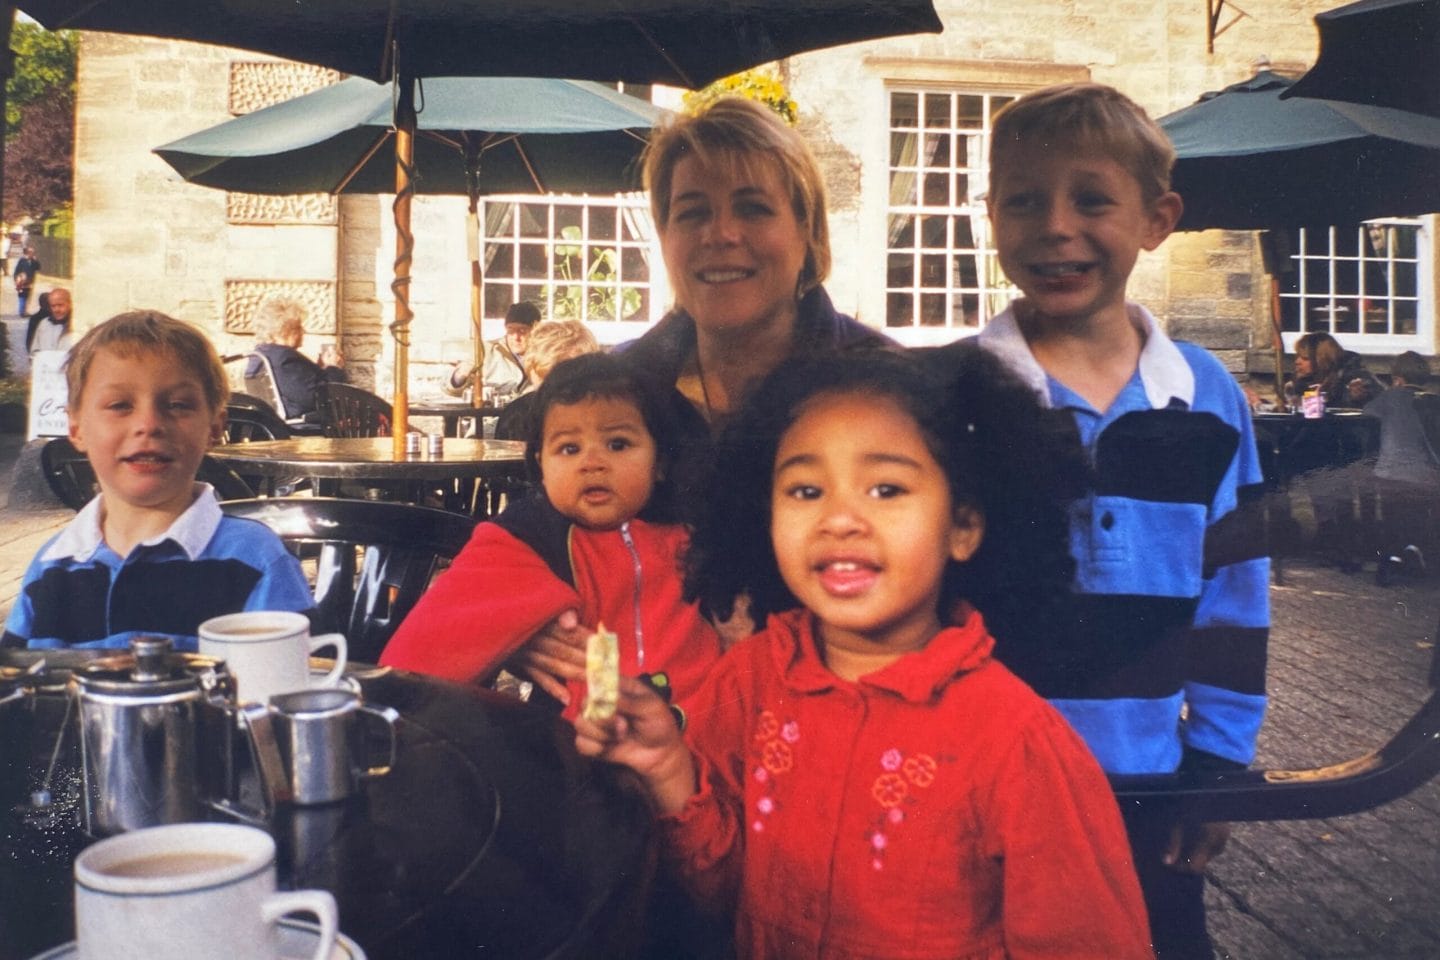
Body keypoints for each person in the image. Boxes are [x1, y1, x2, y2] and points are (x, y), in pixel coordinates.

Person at [578, 350, 1151, 959]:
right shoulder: (750, 680)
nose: (840, 519)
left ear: (963, 526)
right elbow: (722, 893)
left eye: (886, 488)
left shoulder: (1020, 744)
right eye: (805, 489)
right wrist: (669, 768)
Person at [944, 82, 1269, 960]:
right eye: (1024, 200)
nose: (1055, 225)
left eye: (1091, 198)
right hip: (975, 784)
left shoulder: (1208, 398)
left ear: (1157, 219)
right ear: (991, 216)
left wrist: (1216, 770)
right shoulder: (950, 394)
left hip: (1146, 784)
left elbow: (1233, 595)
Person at [507, 95, 896, 697]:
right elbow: (544, 542)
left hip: (830, 715)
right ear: (664, 237)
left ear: (808, 232)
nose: (721, 235)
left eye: (753, 208)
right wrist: (528, 627)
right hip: (639, 723)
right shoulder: (618, 388)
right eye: (692, 213)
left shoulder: (882, 388)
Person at [381, 352, 722, 714]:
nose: (592, 462)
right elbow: (415, 662)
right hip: (588, 743)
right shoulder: (526, 541)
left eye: (618, 444)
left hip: (707, 737)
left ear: (660, 464)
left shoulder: (692, 534)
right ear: (541, 464)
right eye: (569, 448)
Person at [1, 311, 314, 650]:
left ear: (214, 427)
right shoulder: (52, 567)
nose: (149, 423)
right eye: (120, 405)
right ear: (76, 429)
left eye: (178, 405)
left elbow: (293, 688)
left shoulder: (258, 559)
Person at [1363, 351, 1440, 578]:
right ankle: (1413, 551)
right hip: (1427, 475)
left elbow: (1368, 413)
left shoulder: (1390, 397)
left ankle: (1390, 561)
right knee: (1417, 516)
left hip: (1390, 473)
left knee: (1392, 518)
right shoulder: (1434, 401)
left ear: (1397, 378)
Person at [493, 320, 601, 442]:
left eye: (567, 380)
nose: (555, 391)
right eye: (545, 382)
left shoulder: (608, 413)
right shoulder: (518, 415)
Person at [243, 297, 345, 421]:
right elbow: (319, 398)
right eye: (297, 328)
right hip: (302, 425)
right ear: (282, 331)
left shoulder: (261, 354)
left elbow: (299, 389)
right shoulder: (284, 359)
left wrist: (321, 369)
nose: (303, 331)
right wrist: (333, 368)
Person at [448, 300, 541, 401]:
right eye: (511, 330)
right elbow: (449, 388)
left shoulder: (545, 355)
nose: (516, 337)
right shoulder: (486, 350)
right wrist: (459, 376)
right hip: (490, 415)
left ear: (535, 331)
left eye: (522, 331)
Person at [1287, 331, 1382, 409]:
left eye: (1305, 358)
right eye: (1297, 356)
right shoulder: (1302, 381)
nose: (1297, 361)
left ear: (1321, 359)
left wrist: (1353, 397)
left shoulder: (1354, 377)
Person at [27, 286, 73, 354]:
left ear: (70, 304)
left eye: (60, 305)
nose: (57, 310)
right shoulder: (44, 324)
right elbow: (34, 350)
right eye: (53, 306)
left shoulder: (77, 325)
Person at [13, 245, 40, 317]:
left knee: (28, 296)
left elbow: (38, 268)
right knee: (22, 296)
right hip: (22, 282)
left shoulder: (33, 261)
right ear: (27, 253)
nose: (33, 254)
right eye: (31, 252)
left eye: (33, 252)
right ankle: (22, 312)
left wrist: (36, 260)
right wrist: (16, 280)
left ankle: (25, 310)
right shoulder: (22, 261)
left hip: (30, 282)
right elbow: (16, 271)